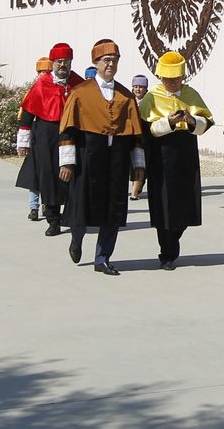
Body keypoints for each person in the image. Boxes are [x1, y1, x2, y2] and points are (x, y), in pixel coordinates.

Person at [58, 40, 145, 275]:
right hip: (88, 156)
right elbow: (68, 130)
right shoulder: (79, 93)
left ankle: (102, 258)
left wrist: (138, 166)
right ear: (95, 63)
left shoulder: (126, 96)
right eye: (106, 60)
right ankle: (77, 239)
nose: (111, 64)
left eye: (114, 61)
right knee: (82, 205)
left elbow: (136, 135)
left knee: (113, 209)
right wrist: (67, 161)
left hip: (116, 159)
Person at [138, 51, 213, 270]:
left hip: (186, 154)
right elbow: (146, 129)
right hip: (162, 155)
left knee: (185, 201)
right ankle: (167, 252)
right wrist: (168, 123)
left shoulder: (191, 94)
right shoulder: (152, 97)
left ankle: (175, 238)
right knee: (164, 205)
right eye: (167, 78)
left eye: (175, 78)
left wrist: (191, 120)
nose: (171, 82)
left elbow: (206, 123)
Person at [17, 44, 82, 236]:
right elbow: (28, 113)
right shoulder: (42, 83)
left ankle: (71, 215)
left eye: (66, 62)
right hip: (46, 135)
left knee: (74, 175)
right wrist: (23, 141)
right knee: (49, 177)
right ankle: (53, 220)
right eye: (59, 61)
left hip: (72, 133)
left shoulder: (78, 84)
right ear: (53, 63)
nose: (63, 65)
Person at [17, 56, 50, 221]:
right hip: (36, 136)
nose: (44, 74)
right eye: (42, 71)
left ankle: (48, 205)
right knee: (34, 175)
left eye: (47, 71)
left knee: (48, 174)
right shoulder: (34, 90)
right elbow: (25, 117)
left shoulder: (55, 89)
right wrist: (24, 142)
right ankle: (33, 207)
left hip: (50, 137)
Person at [129, 74, 150, 200]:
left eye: (141, 87)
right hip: (131, 136)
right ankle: (136, 186)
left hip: (143, 138)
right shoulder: (129, 100)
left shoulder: (149, 102)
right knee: (132, 165)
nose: (138, 89)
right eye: (135, 87)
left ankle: (134, 192)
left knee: (140, 164)